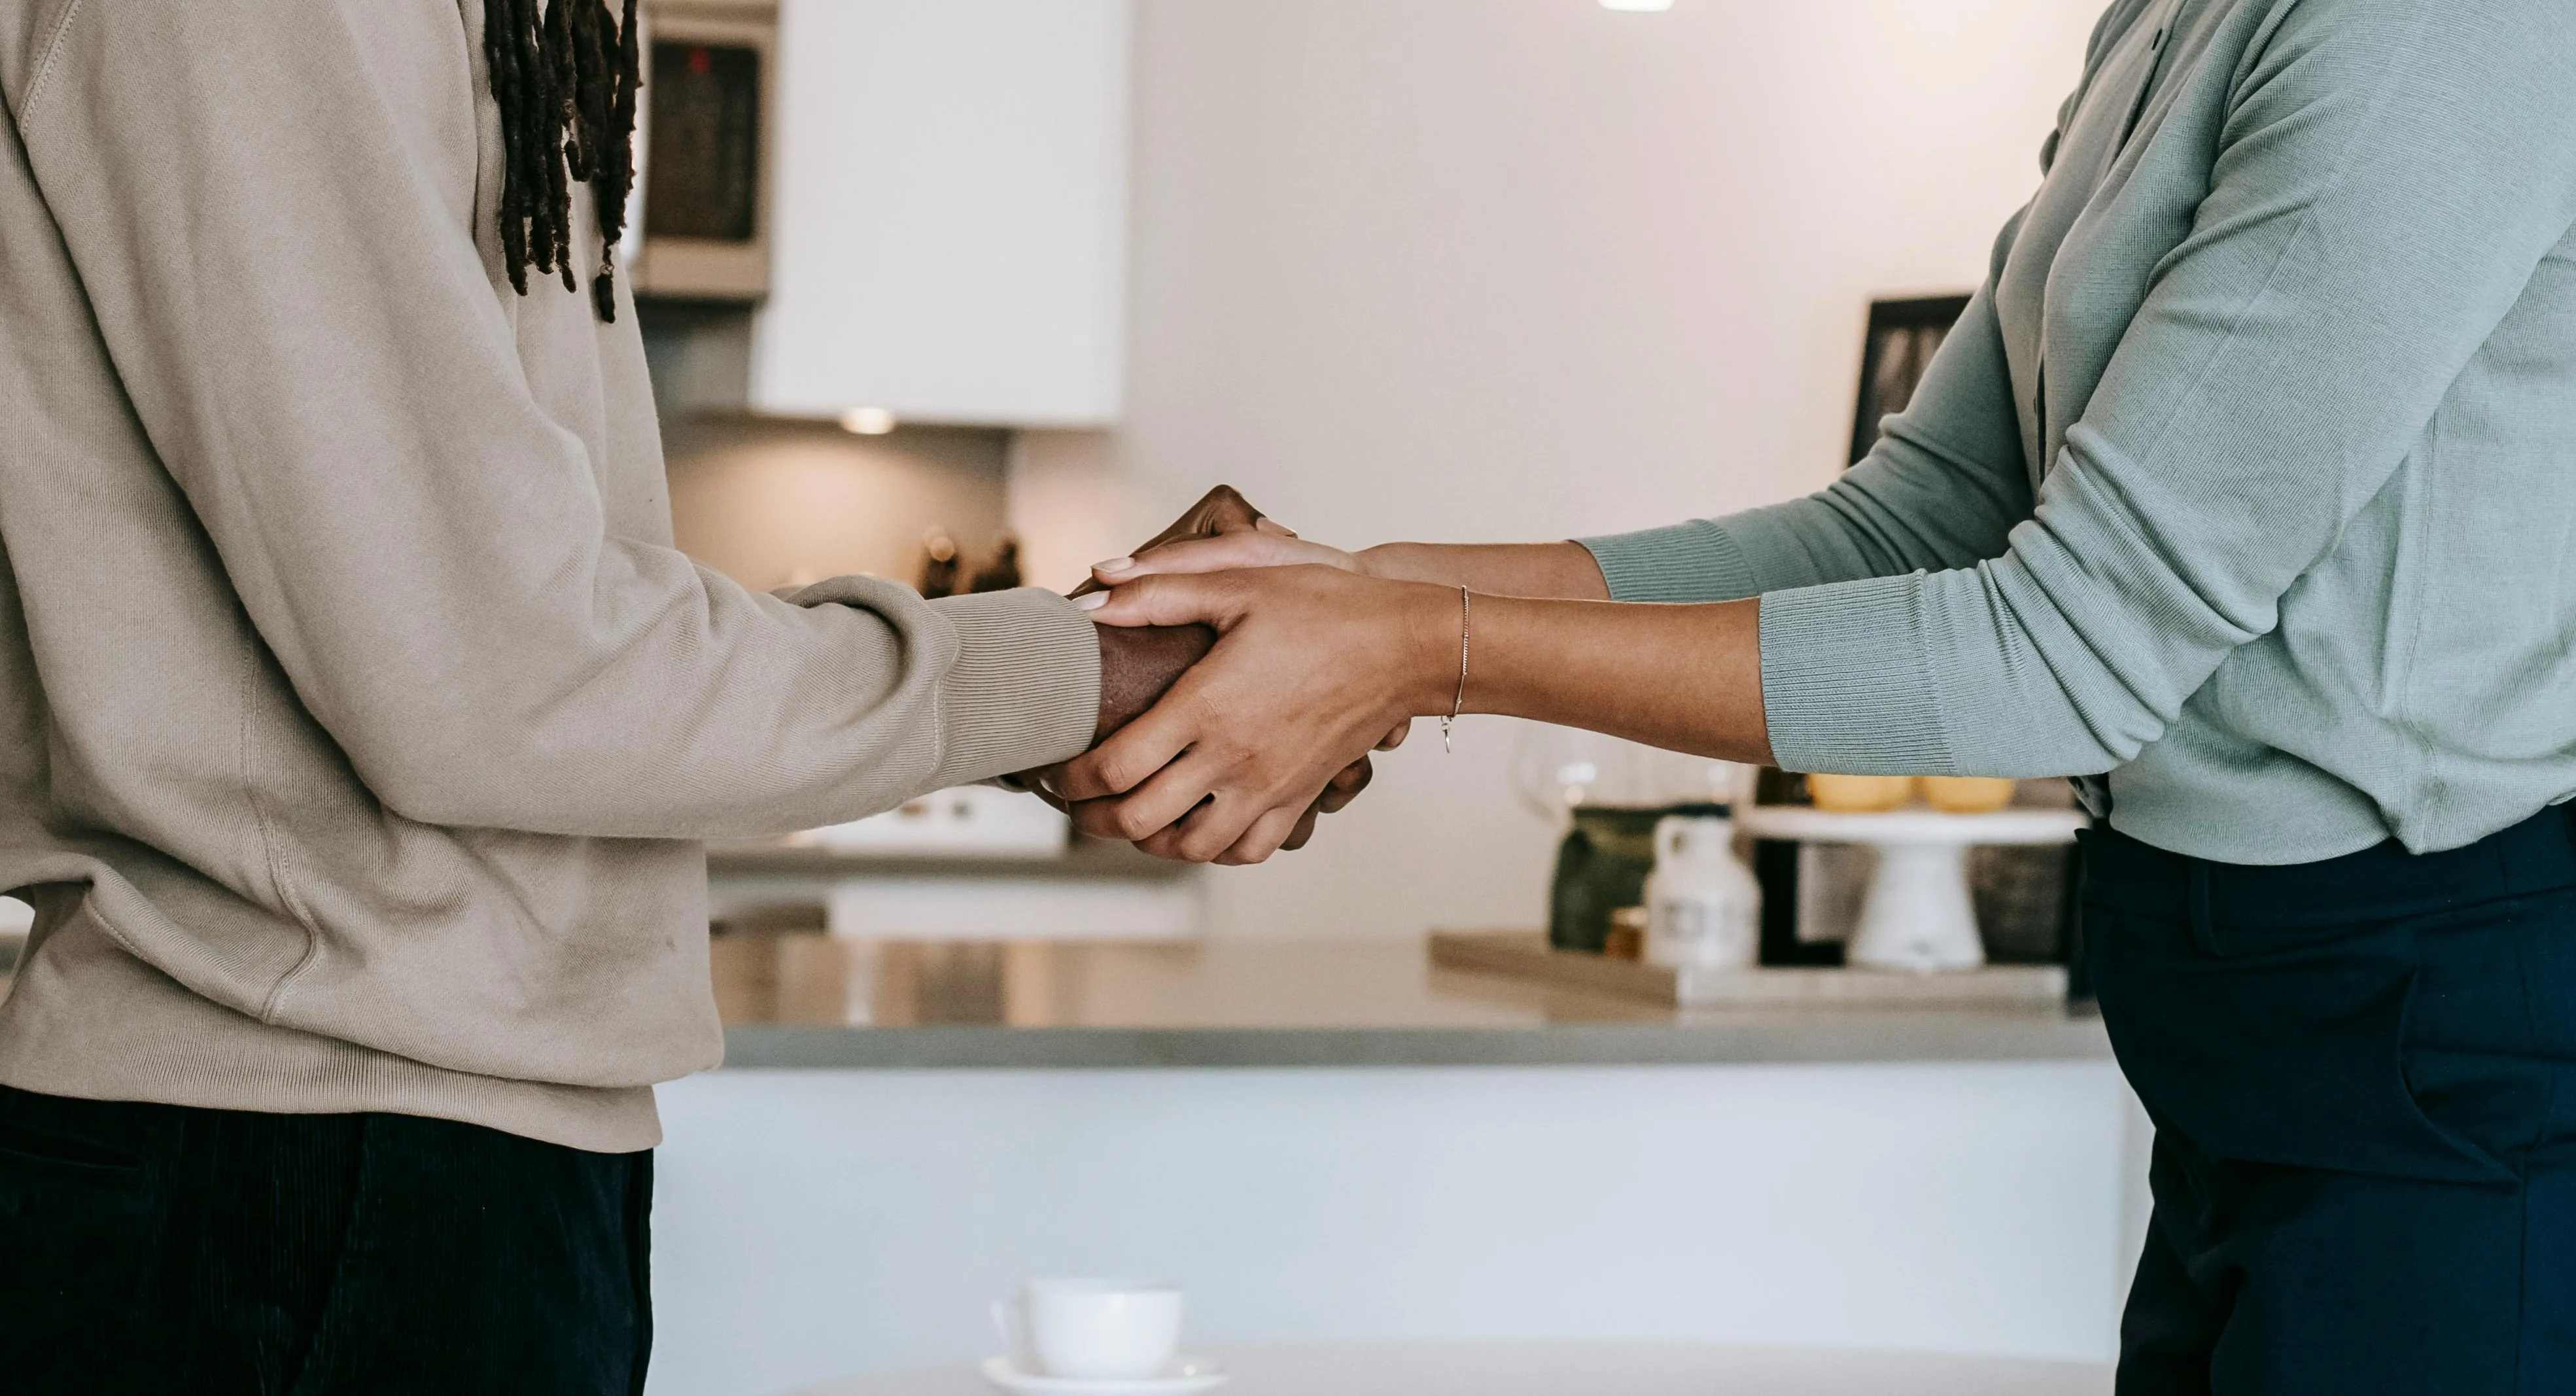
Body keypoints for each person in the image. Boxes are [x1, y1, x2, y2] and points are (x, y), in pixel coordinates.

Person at [1062, 0, 2576, 1389]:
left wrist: (1415, 643)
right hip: (2231, 1037)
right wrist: (1359, 589)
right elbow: (1912, 520)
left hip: (2430, 1030)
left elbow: (2068, 650)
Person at [0, 3, 1369, 1390]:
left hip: (412, 1150)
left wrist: (1090, 677)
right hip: (285, 1157)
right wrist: (1087, 672)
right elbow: (493, 678)